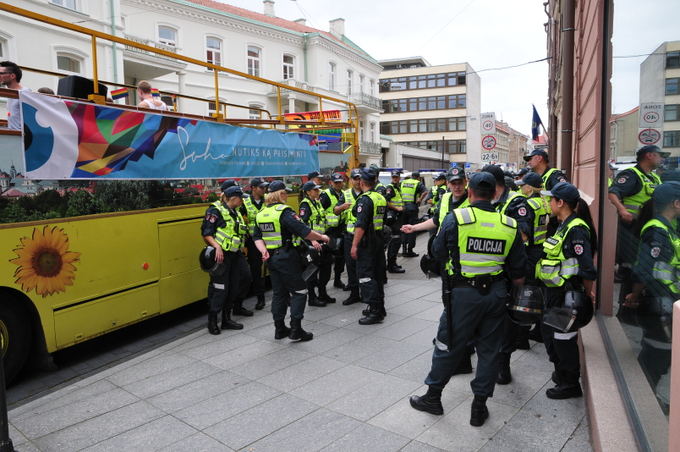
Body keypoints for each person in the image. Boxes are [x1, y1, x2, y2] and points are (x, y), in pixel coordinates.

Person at [409, 172, 526, 426]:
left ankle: (433, 397)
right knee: (489, 351)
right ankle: (479, 407)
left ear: (470, 192)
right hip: (496, 294)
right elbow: (518, 271)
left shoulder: (457, 218)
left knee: (447, 343)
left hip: (462, 295)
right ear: (495, 194)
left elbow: (438, 252)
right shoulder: (508, 224)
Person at [537, 182, 598, 399]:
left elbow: (588, 269)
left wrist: (585, 294)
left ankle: (570, 383)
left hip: (567, 294)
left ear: (561, 202)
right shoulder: (563, 224)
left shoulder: (577, 228)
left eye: (551, 199)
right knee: (550, 335)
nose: (548, 202)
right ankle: (561, 372)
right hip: (555, 293)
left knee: (563, 340)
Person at [253, 181, 330, 341]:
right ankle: (296, 329)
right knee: (300, 291)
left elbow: (257, 237)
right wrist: (322, 237)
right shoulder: (284, 212)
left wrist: (263, 251)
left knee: (279, 294)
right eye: (285, 193)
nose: (287, 195)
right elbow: (305, 231)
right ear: (279, 194)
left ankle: (279, 329)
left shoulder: (260, 214)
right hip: (287, 257)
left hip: (272, 259)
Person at [625, 182, 679, 403]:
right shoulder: (657, 229)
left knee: (659, 353)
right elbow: (645, 268)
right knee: (655, 354)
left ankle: (646, 396)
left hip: (667, 299)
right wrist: (635, 295)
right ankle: (643, 400)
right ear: (676, 203)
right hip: (659, 302)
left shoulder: (668, 226)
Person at [481, 164, 534, 385]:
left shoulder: (516, 202)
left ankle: (503, 364)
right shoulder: (487, 201)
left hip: (509, 271)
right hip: (487, 269)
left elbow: (523, 234)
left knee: (506, 321)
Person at [608, 145, 667, 324]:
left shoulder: (654, 177)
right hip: (632, 230)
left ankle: (637, 306)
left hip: (651, 229)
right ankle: (625, 311)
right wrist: (622, 210)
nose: (662, 159)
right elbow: (613, 192)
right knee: (631, 269)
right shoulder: (632, 176)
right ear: (649, 156)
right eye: (660, 156)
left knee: (645, 268)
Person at [201, 185, 252, 334]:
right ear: (234, 198)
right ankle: (212, 321)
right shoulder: (215, 211)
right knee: (220, 289)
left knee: (233, 286)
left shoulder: (235, 212)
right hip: (221, 256)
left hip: (235, 255)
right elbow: (207, 233)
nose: (242, 201)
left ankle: (226, 319)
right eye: (241, 198)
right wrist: (217, 247)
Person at [350, 168, 388, 324]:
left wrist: (354, 245)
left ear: (362, 182)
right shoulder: (380, 197)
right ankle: (380, 307)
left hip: (367, 242)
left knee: (365, 275)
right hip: (378, 239)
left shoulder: (365, 199)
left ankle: (374, 311)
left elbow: (361, 225)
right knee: (377, 274)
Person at [299, 180, 335, 306]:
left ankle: (322, 293)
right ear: (308, 192)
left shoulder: (317, 202)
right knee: (313, 271)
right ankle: (312, 298)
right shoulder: (305, 205)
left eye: (318, 189)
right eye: (315, 190)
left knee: (326, 268)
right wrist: (313, 240)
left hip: (322, 239)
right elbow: (302, 225)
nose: (318, 191)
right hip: (312, 242)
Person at [241, 178, 269, 310]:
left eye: (264, 188)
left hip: (270, 239)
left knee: (274, 268)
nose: (264, 190)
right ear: (253, 188)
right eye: (261, 187)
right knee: (256, 270)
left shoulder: (268, 201)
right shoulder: (244, 203)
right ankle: (260, 298)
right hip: (253, 242)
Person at [338, 169, 364, 305]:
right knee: (350, 265)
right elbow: (335, 210)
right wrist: (342, 207)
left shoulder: (368, 193)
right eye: (355, 178)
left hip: (365, 236)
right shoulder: (346, 194)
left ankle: (365, 293)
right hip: (349, 236)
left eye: (360, 178)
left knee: (364, 265)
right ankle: (354, 293)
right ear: (351, 180)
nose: (358, 181)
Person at [321, 172, 348, 289]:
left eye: (340, 182)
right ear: (331, 183)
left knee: (341, 257)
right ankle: (322, 285)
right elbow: (320, 212)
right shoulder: (326, 195)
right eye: (336, 182)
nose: (338, 184)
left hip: (342, 228)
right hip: (329, 231)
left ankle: (337, 279)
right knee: (327, 259)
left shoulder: (344, 194)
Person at [400, 171, 427, 257]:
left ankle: (404, 250)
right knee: (412, 228)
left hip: (403, 207)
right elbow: (425, 191)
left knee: (404, 228)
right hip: (412, 208)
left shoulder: (403, 182)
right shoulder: (417, 183)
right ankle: (410, 250)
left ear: (411, 176)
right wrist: (420, 199)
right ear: (418, 177)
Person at [384, 170, 406, 273]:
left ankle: (393, 263)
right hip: (393, 218)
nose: (395, 179)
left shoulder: (397, 187)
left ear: (399, 177)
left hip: (398, 218)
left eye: (396, 177)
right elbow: (386, 201)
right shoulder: (390, 188)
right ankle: (391, 266)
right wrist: (397, 209)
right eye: (393, 177)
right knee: (395, 240)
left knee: (397, 241)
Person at [0, 61, 29, 130]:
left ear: (12, 76)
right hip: (14, 137)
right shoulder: (11, 93)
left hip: (20, 138)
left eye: (1, 73)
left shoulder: (24, 92)